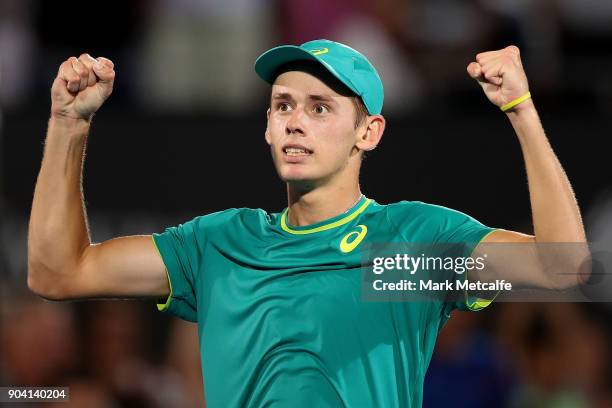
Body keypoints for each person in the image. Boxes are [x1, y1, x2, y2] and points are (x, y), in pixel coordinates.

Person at [28, 39, 587, 407]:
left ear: (368, 134)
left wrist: (522, 110)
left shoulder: (409, 247)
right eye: (283, 106)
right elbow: (58, 272)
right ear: (268, 128)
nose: (296, 122)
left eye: (320, 108)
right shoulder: (219, 246)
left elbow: (565, 270)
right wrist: (68, 124)